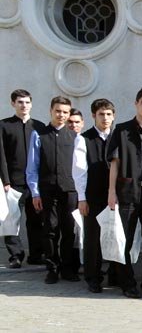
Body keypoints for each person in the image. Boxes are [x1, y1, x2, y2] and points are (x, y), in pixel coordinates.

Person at [107, 88, 142, 298]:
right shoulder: (122, 130)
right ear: (136, 104)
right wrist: (111, 192)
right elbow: (114, 163)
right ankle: (128, 283)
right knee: (126, 240)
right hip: (126, 192)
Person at [26, 96, 79, 284]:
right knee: (50, 231)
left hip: (70, 191)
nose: (61, 115)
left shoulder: (74, 137)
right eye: (58, 111)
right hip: (48, 190)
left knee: (68, 230)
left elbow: (80, 168)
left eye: (65, 112)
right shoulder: (38, 135)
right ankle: (52, 268)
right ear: (51, 111)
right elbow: (32, 167)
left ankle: (67, 268)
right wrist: (35, 193)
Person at [72, 99, 115, 294]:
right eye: (101, 114)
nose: (105, 118)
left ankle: (116, 275)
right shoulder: (84, 138)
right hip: (93, 195)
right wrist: (82, 198)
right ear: (93, 116)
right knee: (93, 238)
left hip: (115, 195)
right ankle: (93, 277)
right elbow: (79, 170)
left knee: (115, 235)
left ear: (113, 116)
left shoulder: (117, 136)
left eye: (108, 114)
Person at [1, 89, 46, 268]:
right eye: (20, 102)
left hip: (35, 184)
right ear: (13, 104)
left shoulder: (40, 127)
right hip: (13, 182)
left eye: (27, 102)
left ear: (31, 104)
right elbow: (1, 156)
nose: (24, 105)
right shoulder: (4, 126)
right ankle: (15, 256)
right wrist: (5, 180)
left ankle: (36, 255)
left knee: (36, 220)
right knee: (12, 220)